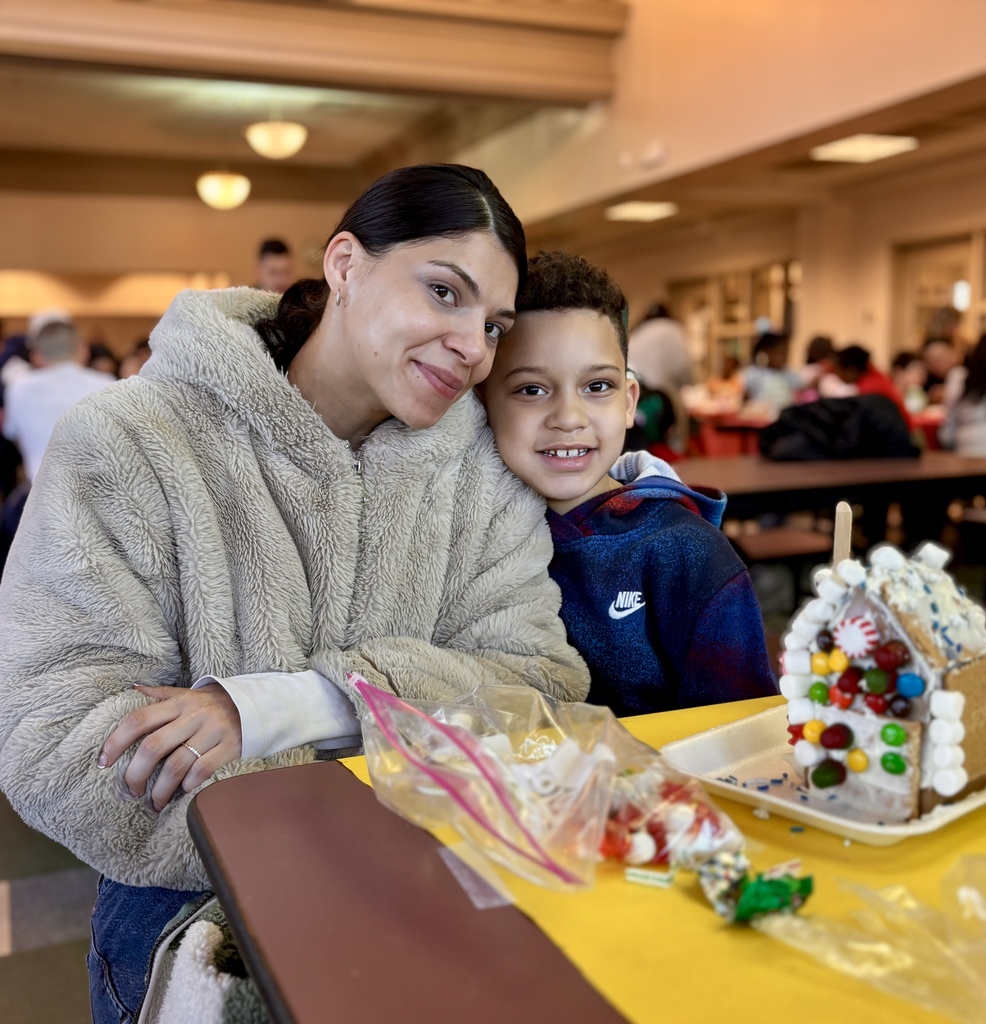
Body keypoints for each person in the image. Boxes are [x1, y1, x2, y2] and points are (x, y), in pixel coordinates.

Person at [0, 164, 589, 1023]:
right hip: (194, 920)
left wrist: (289, 704)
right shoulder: (129, 442)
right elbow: (55, 737)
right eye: (443, 292)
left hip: (433, 904)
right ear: (345, 265)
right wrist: (394, 756)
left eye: (494, 323)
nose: (474, 346)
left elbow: (540, 685)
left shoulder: (475, 469)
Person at [478, 251, 776, 718]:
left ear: (628, 401)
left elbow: (745, 734)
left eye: (597, 386)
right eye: (531, 389)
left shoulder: (687, 554)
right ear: (482, 403)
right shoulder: (468, 544)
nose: (569, 418)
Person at [2, 318, 115, 483]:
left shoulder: (20, 388)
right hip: (99, 491)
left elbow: (11, 432)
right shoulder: (107, 384)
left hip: (41, 494)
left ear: (36, 355)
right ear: (84, 350)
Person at [626, 302, 693, 452]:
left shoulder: (637, 332)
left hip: (635, 398)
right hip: (663, 399)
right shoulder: (674, 330)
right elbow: (685, 371)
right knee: (671, 447)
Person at [834, 344, 911, 427]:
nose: (837, 374)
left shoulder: (870, 389)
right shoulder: (874, 375)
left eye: (838, 370)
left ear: (852, 370)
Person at [741, 332, 801, 411]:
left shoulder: (790, 374)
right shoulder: (753, 374)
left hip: (786, 419)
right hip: (761, 418)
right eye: (780, 352)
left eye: (786, 352)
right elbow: (744, 399)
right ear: (767, 352)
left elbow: (801, 390)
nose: (784, 356)